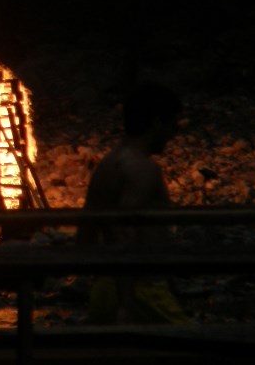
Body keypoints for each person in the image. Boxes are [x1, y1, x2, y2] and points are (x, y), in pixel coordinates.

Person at [77, 80, 191, 325]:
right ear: (157, 122)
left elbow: (85, 231)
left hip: (104, 288)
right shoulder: (142, 168)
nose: (174, 133)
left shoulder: (106, 165)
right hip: (141, 291)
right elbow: (124, 232)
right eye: (172, 124)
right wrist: (126, 302)